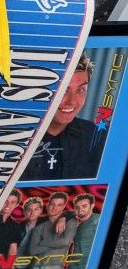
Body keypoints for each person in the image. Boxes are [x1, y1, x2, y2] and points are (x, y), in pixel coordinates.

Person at [20, 53, 103, 181]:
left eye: (80, 90)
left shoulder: (96, 137)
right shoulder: (15, 134)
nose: (72, 101)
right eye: (63, 89)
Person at [27, 192, 78, 269]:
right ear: (47, 205)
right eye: (52, 204)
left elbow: (65, 242)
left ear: (63, 207)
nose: (54, 208)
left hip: (54, 267)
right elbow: (32, 250)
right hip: (35, 267)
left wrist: (42, 242)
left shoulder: (70, 222)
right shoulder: (39, 226)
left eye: (59, 205)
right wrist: (57, 244)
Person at [66, 193, 100, 269]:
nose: (80, 209)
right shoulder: (78, 226)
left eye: (84, 206)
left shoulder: (98, 220)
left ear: (92, 206)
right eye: (77, 207)